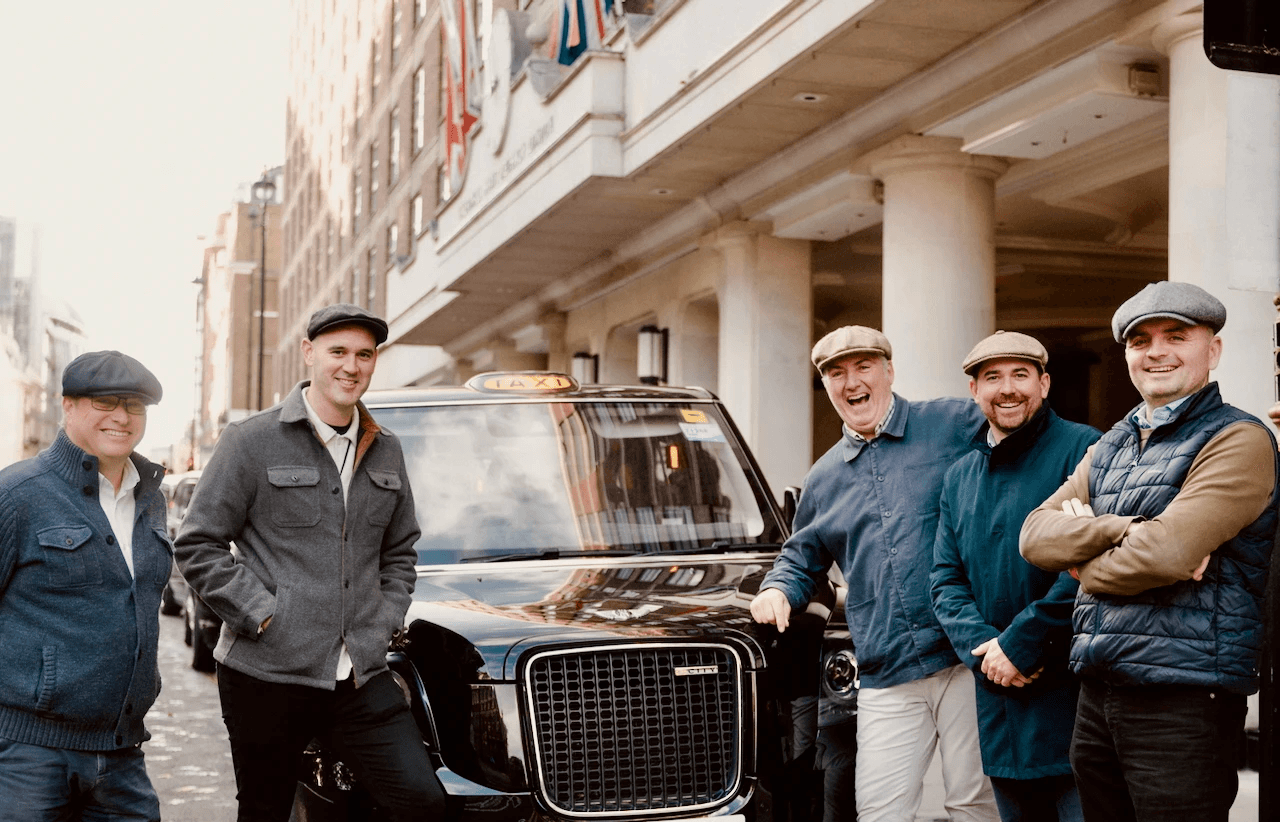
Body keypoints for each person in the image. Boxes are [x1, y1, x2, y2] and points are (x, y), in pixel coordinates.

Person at [175, 304, 445, 822]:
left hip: (360, 677)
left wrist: (384, 618)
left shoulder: (386, 450)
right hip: (266, 676)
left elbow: (399, 551)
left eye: (364, 355)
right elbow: (197, 544)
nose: (351, 366)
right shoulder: (250, 441)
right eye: (338, 351)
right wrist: (264, 615)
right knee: (265, 811)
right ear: (308, 353)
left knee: (422, 802)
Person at [1020, 281, 1279, 822]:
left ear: (1213, 350)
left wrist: (1083, 561)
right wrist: (1130, 530)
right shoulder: (1112, 443)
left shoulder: (1239, 439)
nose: (1156, 352)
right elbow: (1034, 536)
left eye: (1176, 336)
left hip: (1185, 699)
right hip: (1098, 693)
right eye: (1140, 341)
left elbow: (1164, 555)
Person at [750, 325, 996, 822]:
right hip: (886, 666)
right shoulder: (824, 477)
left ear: (889, 371)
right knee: (881, 811)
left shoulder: (953, 422)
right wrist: (776, 589)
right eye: (836, 373)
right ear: (826, 386)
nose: (851, 382)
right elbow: (800, 559)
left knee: (975, 806)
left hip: (965, 655)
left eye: (863, 367)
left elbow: (1026, 442)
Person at [929, 332, 1099, 822]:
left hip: (1071, 692)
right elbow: (945, 579)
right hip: (998, 697)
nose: (1007, 388)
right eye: (992, 377)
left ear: (1044, 384)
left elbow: (1091, 562)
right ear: (974, 390)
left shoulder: (1085, 448)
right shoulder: (960, 476)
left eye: (1020, 375)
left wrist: (1021, 644)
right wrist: (986, 650)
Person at [0, 351, 167, 820]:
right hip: (27, 756)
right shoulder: (17, 494)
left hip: (122, 753)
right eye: (105, 402)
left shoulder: (150, 499)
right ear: (68, 406)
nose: (122, 417)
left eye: (134, 405)